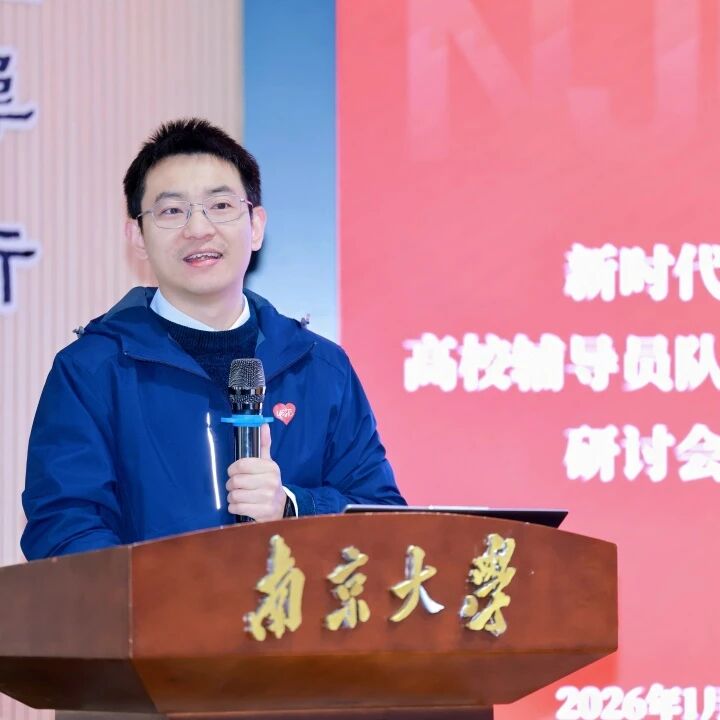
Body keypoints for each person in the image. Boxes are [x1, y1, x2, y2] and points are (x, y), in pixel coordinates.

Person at [21, 118, 404, 560]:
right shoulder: (91, 371)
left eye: (220, 206)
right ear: (137, 236)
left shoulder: (321, 368)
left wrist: (291, 506)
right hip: (152, 606)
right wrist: (166, 593)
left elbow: (384, 523)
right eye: (172, 211)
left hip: (289, 604)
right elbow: (63, 527)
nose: (198, 229)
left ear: (256, 225)